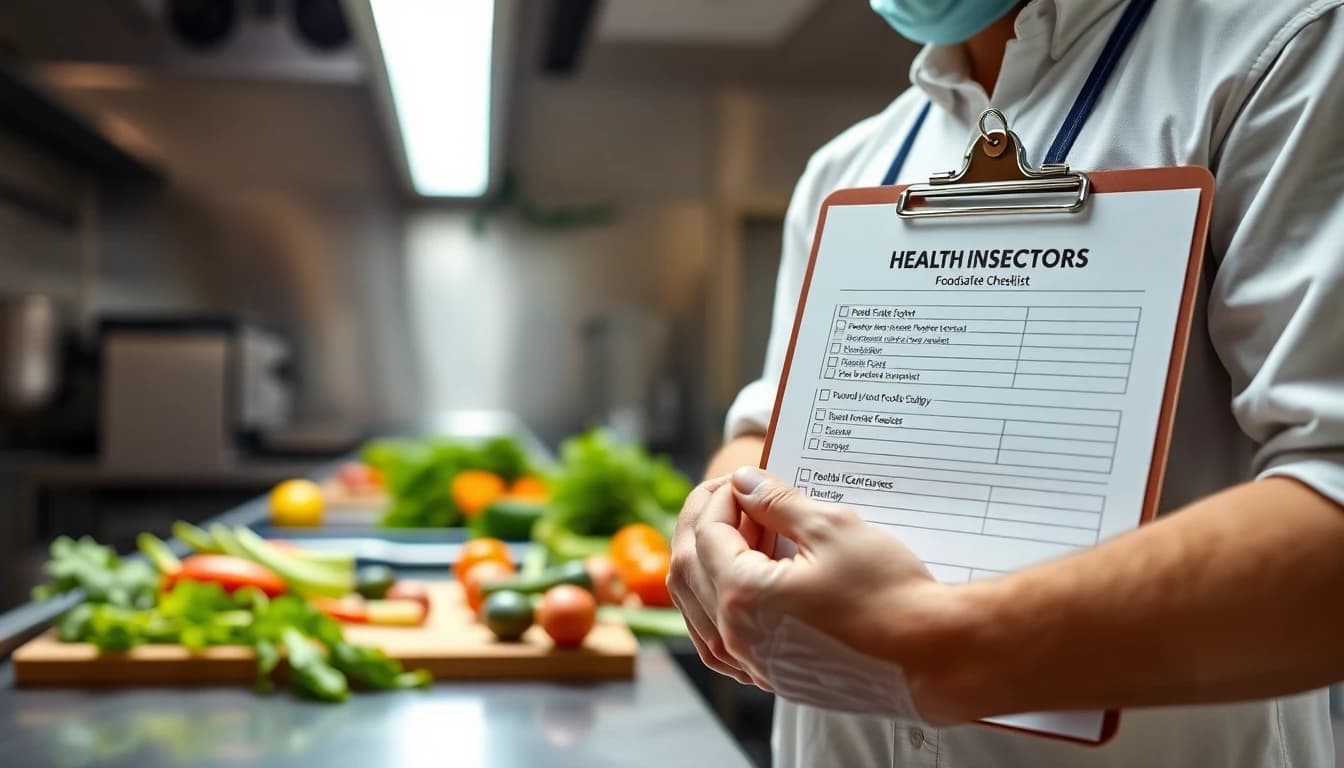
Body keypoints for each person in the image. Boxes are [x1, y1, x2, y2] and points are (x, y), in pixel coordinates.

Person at [669, 0, 1344, 765]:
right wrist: (715, 519)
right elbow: (766, 433)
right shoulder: (848, 167)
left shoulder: (1280, 55)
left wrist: (944, 648)